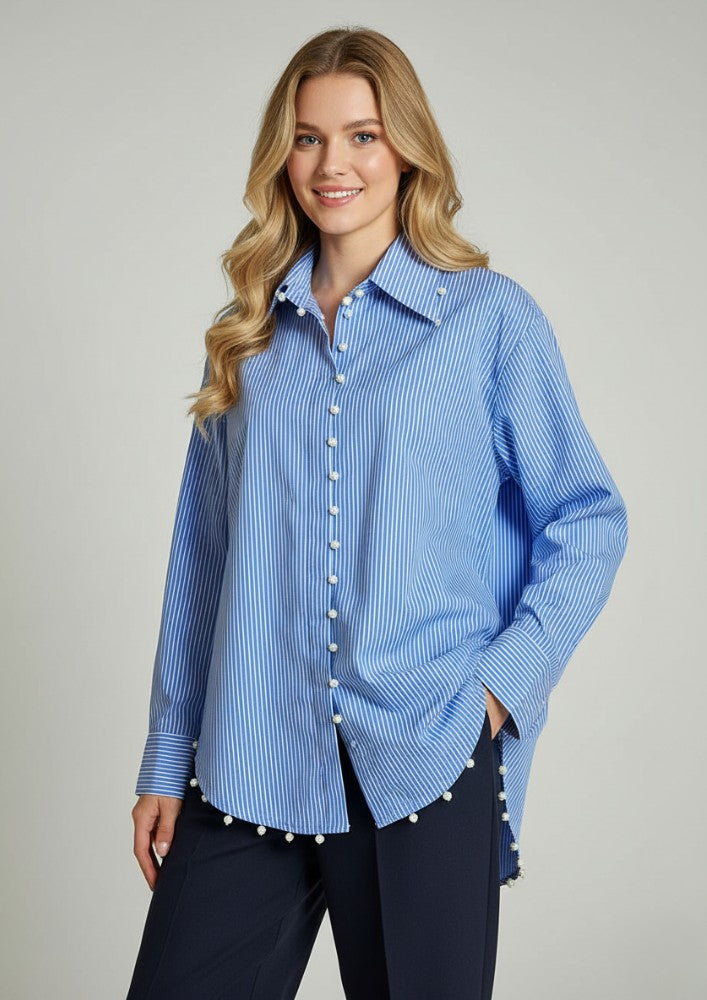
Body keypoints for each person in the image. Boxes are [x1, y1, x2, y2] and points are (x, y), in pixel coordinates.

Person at [126, 25, 628, 1000]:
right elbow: (202, 564)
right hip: (250, 758)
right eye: (307, 138)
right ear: (281, 157)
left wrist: (495, 691)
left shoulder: (488, 320)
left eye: (362, 135)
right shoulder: (245, 337)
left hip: (424, 759)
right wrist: (163, 758)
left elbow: (587, 518)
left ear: (406, 149)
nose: (333, 164)